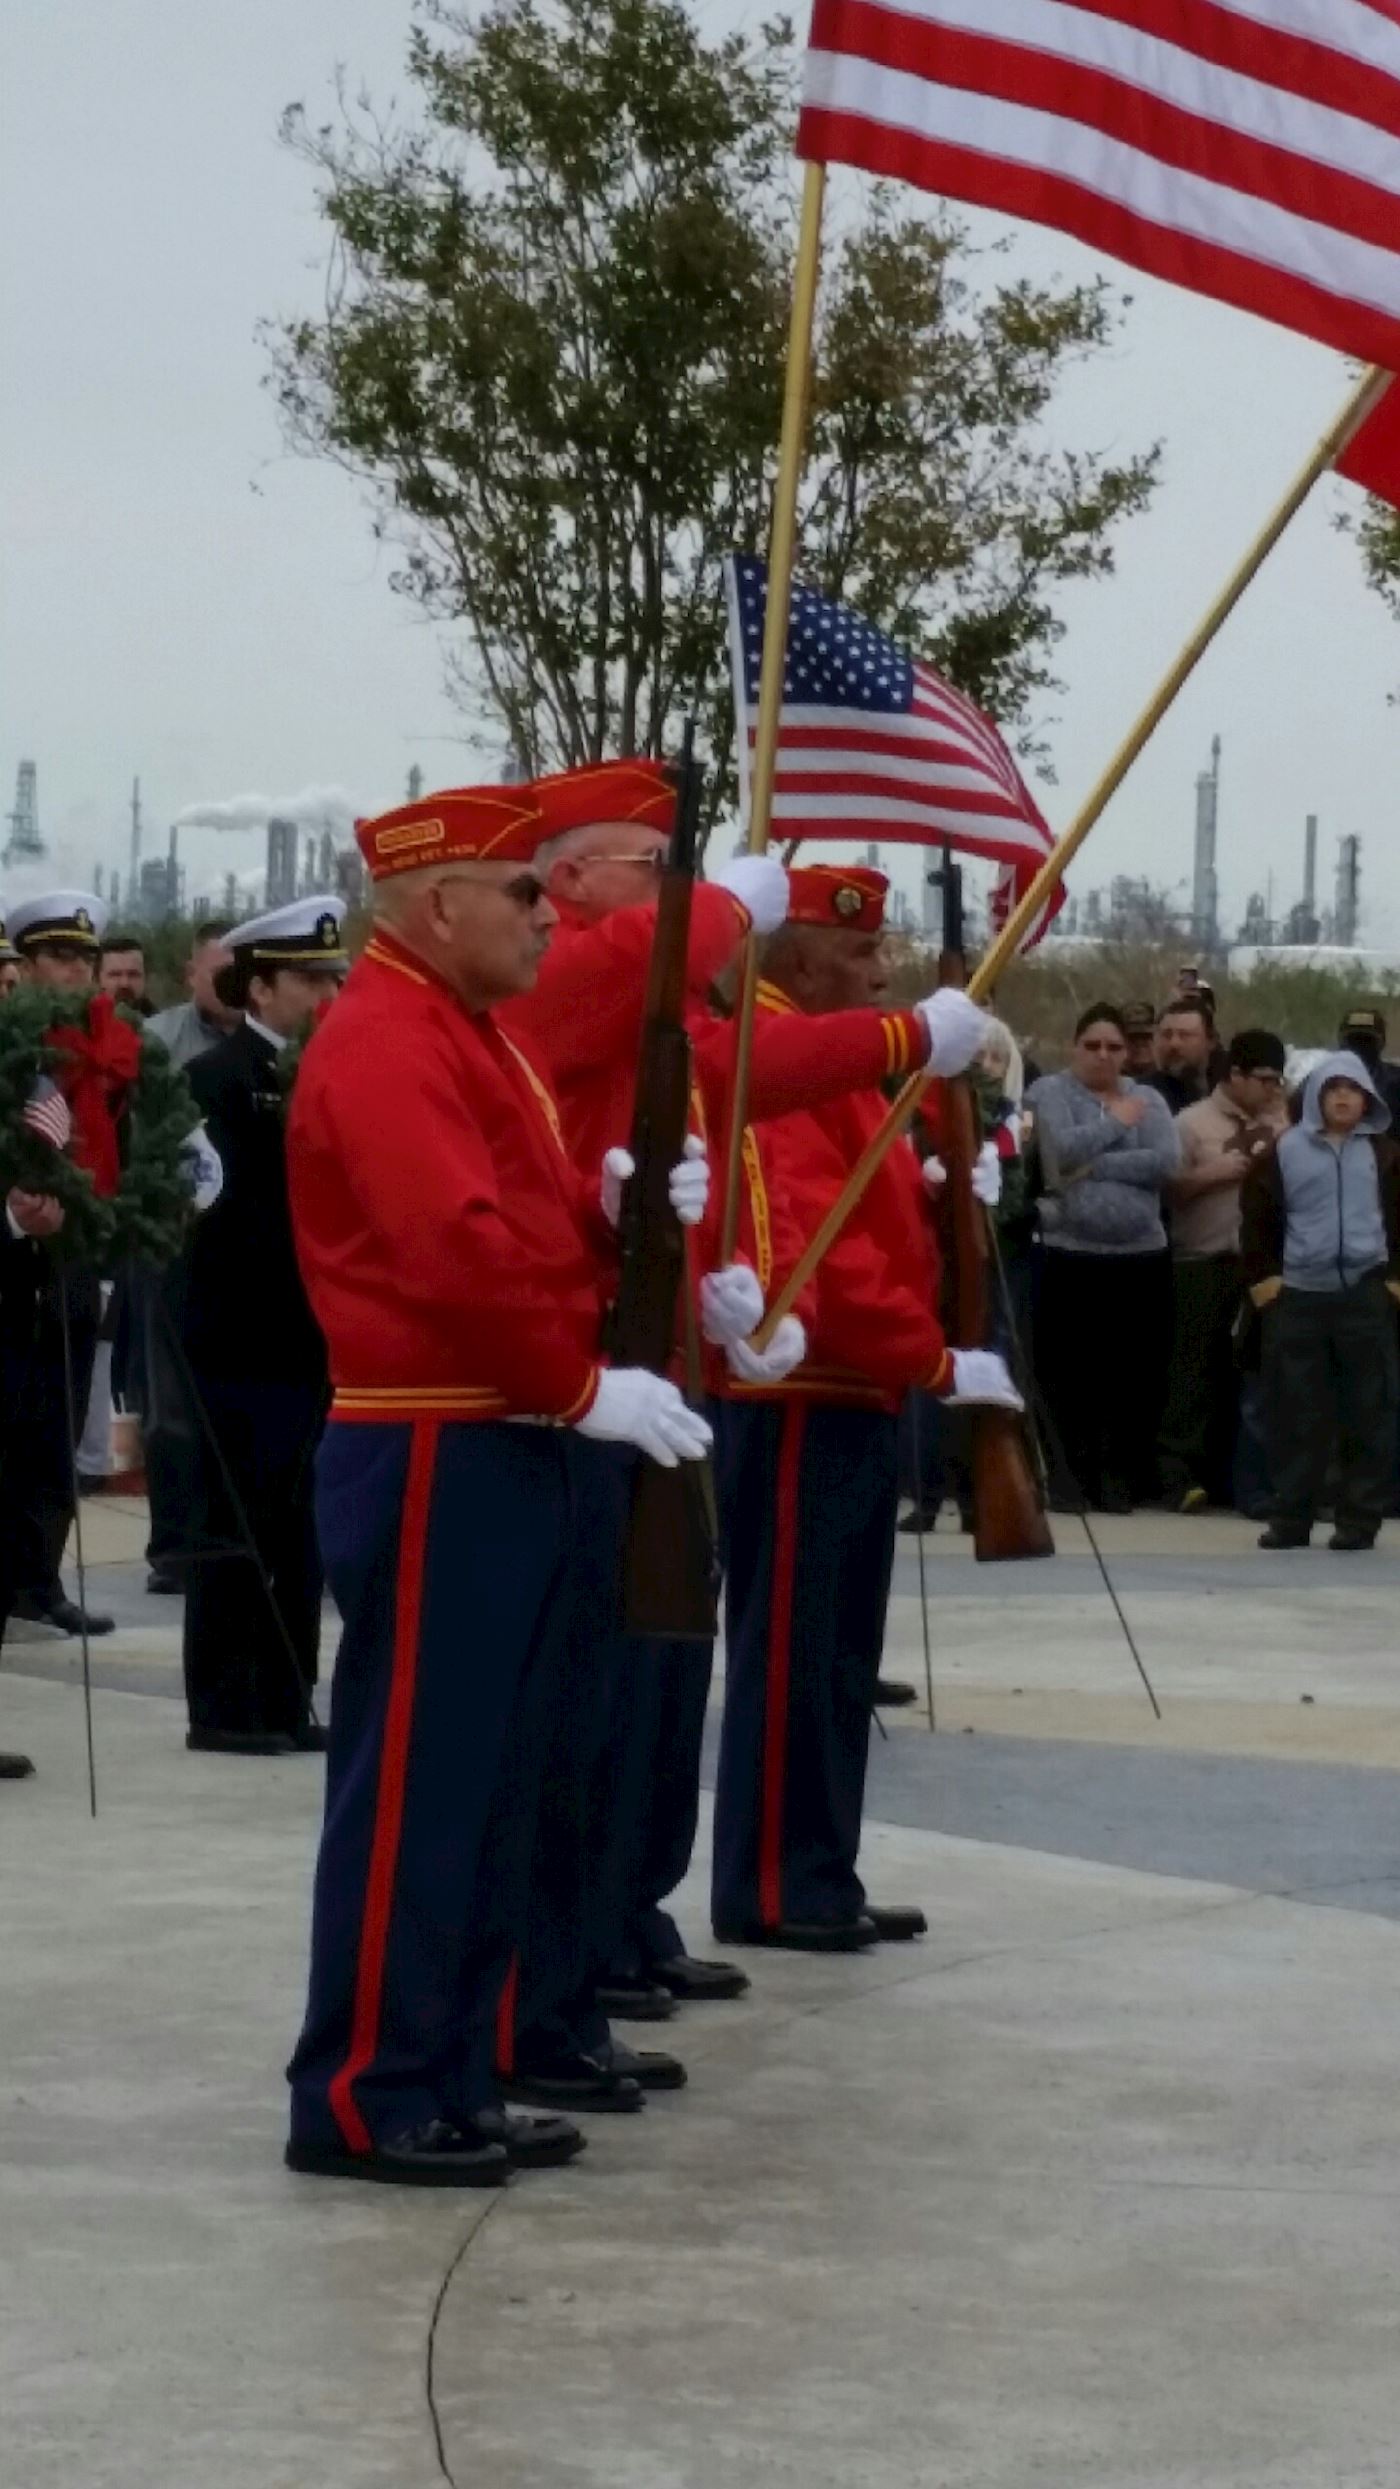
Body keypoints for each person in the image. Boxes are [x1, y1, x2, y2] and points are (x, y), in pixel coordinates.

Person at [283, 783, 712, 2189]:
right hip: (434, 1437)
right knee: (421, 1783)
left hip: (497, 1431)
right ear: (438, 902)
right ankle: (364, 2091)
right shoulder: (392, 1037)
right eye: (522, 892)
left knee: (497, 1785)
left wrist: (607, 1228)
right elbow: (452, 1251)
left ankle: (452, 2067)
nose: (548, 915)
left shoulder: (461, 1035)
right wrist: (585, 1384)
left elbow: (516, 1227)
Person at [710, 866, 1017, 1952]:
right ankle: (775, 1880)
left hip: (850, 1387)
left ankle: (817, 1867)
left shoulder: (829, 1061)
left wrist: (942, 1177)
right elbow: (818, 1256)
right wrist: (933, 1360)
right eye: (857, 952)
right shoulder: (781, 1057)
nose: (879, 968)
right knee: (793, 1647)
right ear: (793, 960)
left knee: (836, 1653)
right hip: (804, 1388)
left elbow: (872, 1212)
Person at [175, 899, 348, 1755]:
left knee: (297, 1528)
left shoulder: (332, 1074)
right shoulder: (217, 1080)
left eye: (332, 976)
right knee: (234, 1518)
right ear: (263, 985)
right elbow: (214, 1218)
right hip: (240, 1338)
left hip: (311, 1340)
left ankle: (286, 1693)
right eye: (310, 976)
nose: (327, 991)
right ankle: (223, 1703)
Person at [3, 892, 115, 1637]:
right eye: (59, 957)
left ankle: (38, 1576)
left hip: (75, 1260)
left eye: (85, 959)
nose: (76, 972)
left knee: (58, 1427)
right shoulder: (17, 1054)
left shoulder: (106, 1051)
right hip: (12, 1267)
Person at [1242, 1051, 1400, 1552]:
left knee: (1368, 1413)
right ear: (1314, 1097)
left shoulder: (1386, 1154)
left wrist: (1394, 1282)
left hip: (1365, 1294)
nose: (1342, 1097)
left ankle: (1359, 1521)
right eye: (1332, 1089)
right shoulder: (1283, 1151)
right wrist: (1267, 1286)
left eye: (1352, 1090)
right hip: (1300, 1299)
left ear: (1367, 1099)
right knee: (1296, 1413)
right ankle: (1290, 1518)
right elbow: (1257, 1219)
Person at [1029, 1004, 1179, 1512]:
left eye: (1114, 1047)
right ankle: (1070, 1481)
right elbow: (1056, 1154)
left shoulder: (1149, 1098)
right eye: (1092, 1045)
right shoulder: (1048, 1092)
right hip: (1069, 1255)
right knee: (1068, 1375)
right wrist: (1115, 1123)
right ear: (1075, 1047)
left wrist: (1093, 1163)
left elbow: (1164, 1161)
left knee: (1131, 1376)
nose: (1103, 1055)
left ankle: (1119, 1484)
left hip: (1140, 1258)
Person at [1158, 1030, 1287, 1514]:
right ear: (1234, 1075)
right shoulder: (1191, 1124)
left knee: (1250, 1378)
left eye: (1278, 1080)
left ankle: (1239, 1480)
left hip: (1258, 1268)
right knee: (1193, 1374)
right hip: (1201, 1261)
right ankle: (1178, 1476)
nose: (1273, 1089)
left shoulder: (1285, 1124)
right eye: (1263, 1079)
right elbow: (1167, 1190)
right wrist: (1215, 1174)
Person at [147, 922, 239, 1067]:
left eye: (241, 973)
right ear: (192, 974)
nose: (234, 983)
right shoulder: (157, 1039)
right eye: (223, 974)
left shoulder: (275, 1036)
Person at [1144, 996, 1223, 1115]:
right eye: (1167, 1035)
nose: (1174, 1043)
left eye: (1185, 1035)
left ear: (1211, 1041)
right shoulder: (1144, 1096)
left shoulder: (1230, 1090)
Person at [1336, 1007, 1400, 1129]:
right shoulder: (1320, 1081)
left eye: (1367, 1040)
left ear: (1381, 1044)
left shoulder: (1396, 1082)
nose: (1360, 1046)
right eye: (1354, 1040)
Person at [97, 934, 151, 1015]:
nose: (124, 983)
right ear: (98, 978)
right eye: (115, 974)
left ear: (145, 978)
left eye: (133, 974)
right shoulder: (80, 1025)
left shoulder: (163, 1024)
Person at [1121, 1002, 1157, 1080]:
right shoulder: (1110, 1081)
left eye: (1146, 1037)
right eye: (1133, 1038)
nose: (1140, 1043)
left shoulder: (1169, 1083)